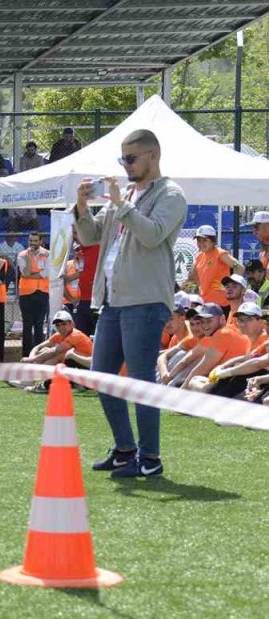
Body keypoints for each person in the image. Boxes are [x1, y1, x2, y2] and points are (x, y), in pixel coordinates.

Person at [75, 128, 187, 479]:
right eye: (122, 158)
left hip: (145, 300)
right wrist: (82, 205)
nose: (125, 165)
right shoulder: (123, 193)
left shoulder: (171, 194)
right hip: (112, 301)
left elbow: (152, 235)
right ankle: (125, 450)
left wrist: (122, 205)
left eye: (131, 158)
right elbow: (91, 236)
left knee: (140, 382)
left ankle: (150, 458)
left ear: (153, 155)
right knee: (102, 378)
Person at [171, 302, 251, 393]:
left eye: (209, 321)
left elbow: (201, 368)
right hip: (233, 381)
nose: (204, 326)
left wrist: (180, 392)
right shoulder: (229, 330)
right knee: (184, 382)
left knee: (193, 381)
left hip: (231, 384)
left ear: (222, 319)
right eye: (202, 322)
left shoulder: (222, 333)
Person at [12, 310, 94, 392]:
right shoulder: (60, 334)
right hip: (81, 369)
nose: (61, 328)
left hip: (91, 370)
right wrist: (32, 358)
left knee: (61, 354)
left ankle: (43, 384)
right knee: (46, 351)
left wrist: (32, 360)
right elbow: (38, 347)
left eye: (64, 324)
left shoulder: (75, 335)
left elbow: (54, 351)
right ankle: (30, 380)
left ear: (71, 324)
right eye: (58, 325)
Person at [206, 303, 269, 398]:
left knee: (214, 391)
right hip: (258, 380)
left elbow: (257, 363)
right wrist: (222, 367)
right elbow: (248, 358)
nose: (243, 324)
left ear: (260, 322)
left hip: (260, 380)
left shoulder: (264, 338)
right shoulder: (253, 339)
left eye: (248, 319)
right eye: (240, 320)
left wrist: (226, 372)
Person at [182, 225, 243, 312]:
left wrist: (230, 286)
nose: (201, 243)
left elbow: (239, 267)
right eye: (199, 240)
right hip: (206, 303)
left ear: (213, 241)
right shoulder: (200, 256)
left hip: (222, 304)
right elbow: (192, 275)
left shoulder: (220, 254)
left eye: (204, 240)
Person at [15, 232, 50, 357]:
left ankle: (38, 355)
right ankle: (26, 355)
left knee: (39, 325)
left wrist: (32, 275)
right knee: (27, 325)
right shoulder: (22, 255)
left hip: (42, 292)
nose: (32, 243)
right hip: (26, 293)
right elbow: (25, 273)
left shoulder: (47, 254)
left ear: (40, 241)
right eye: (30, 240)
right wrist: (30, 257)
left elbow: (46, 273)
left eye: (35, 241)